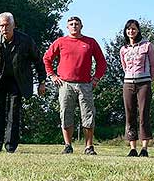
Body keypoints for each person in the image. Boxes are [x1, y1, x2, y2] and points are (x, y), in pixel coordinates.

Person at [0, 12, 46, 153]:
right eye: (1, 26)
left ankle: (11, 146)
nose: (4, 28)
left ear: (14, 25)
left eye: (7, 25)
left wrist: (42, 81)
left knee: (14, 113)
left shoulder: (26, 41)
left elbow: (38, 61)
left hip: (18, 81)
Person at [43, 16, 107, 155]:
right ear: (67, 27)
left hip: (85, 85)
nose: (74, 26)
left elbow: (102, 62)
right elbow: (47, 58)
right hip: (65, 84)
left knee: (88, 115)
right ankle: (68, 145)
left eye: (76, 24)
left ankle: (89, 147)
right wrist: (52, 75)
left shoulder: (90, 42)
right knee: (65, 114)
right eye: (71, 24)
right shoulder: (60, 42)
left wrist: (96, 79)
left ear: (81, 26)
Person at [120, 19, 154, 157]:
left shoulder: (147, 46)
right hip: (128, 83)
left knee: (143, 114)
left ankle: (144, 148)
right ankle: (132, 148)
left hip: (144, 83)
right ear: (126, 31)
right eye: (128, 29)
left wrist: (148, 79)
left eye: (133, 29)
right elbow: (124, 67)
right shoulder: (123, 49)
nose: (131, 31)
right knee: (130, 115)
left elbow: (153, 66)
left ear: (138, 30)